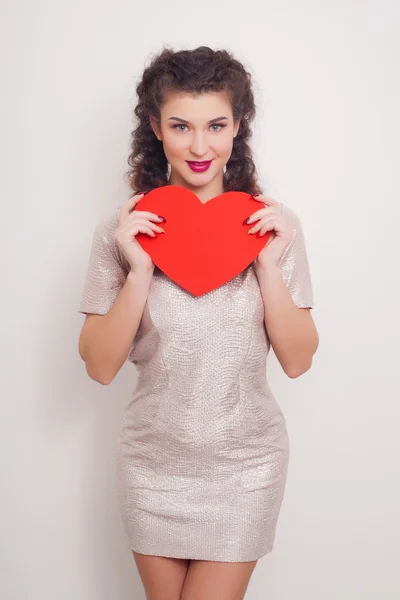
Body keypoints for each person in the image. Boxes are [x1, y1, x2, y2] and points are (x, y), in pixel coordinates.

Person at [78, 46, 319, 600]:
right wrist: (139, 271)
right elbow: (98, 366)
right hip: (152, 463)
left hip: (245, 464)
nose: (200, 145)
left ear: (238, 127)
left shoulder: (274, 226)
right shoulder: (121, 230)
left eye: (216, 125)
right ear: (156, 130)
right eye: (180, 126)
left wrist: (265, 263)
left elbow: (299, 359)